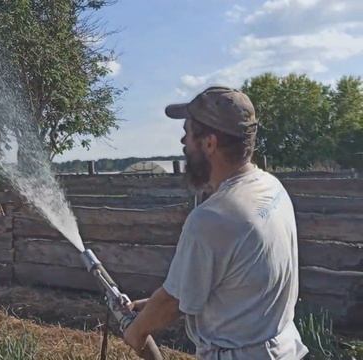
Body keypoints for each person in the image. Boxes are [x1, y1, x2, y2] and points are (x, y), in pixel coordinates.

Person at [124, 86, 308, 359]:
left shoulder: (213, 218)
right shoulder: (271, 187)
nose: (183, 142)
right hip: (287, 349)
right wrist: (149, 305)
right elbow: (228, 284)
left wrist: (135, 332)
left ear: (209, 143)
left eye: (187, 132)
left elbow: (171, 303)